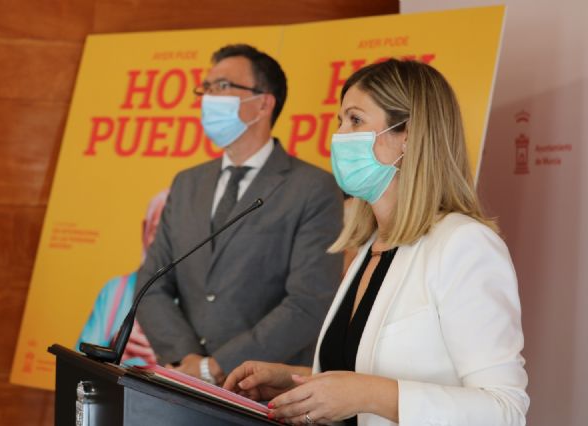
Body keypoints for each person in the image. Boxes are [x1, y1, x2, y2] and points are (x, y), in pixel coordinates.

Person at [223, 59, 529, 426]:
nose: (339, 135)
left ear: (409, 135)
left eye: (355, 120)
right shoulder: (371, 246)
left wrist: (368, 394)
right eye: (339, 121)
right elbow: (360, 372)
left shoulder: (464, 244)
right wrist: (293, 381)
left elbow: (504, 409)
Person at [136, 44, 344, 385]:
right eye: (205, 88)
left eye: (221, 86)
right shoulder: (187, 183)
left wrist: (218, 365)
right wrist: (189, 359)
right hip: (183, 380)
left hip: (262, 389)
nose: (208, 97)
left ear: (263, 103)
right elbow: (152, 284)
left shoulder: (313, 188)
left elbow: (309, 301)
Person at [76, 190, 168, 366]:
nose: (165, 245)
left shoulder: (203, 299)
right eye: (158, 231)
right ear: (145, 230)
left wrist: (165, 360)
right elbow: (78, 363)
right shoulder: (115, 289)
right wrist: (113, 349)